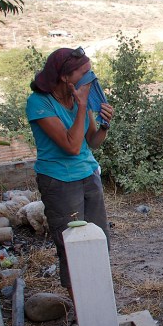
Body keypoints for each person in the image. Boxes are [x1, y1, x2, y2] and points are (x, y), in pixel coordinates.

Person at [26, 47, 114, 302]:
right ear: (65, 77)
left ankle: (100, 301)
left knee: (98, 240)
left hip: (88, 175)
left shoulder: (79, 99)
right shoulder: (39, 103)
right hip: (59, 182)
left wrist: (105, 124)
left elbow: (92, 142)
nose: (91, 76)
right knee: (72, 247)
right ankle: (82, 309)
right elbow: (72, 146)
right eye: (84, 72)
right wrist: (82, 106)